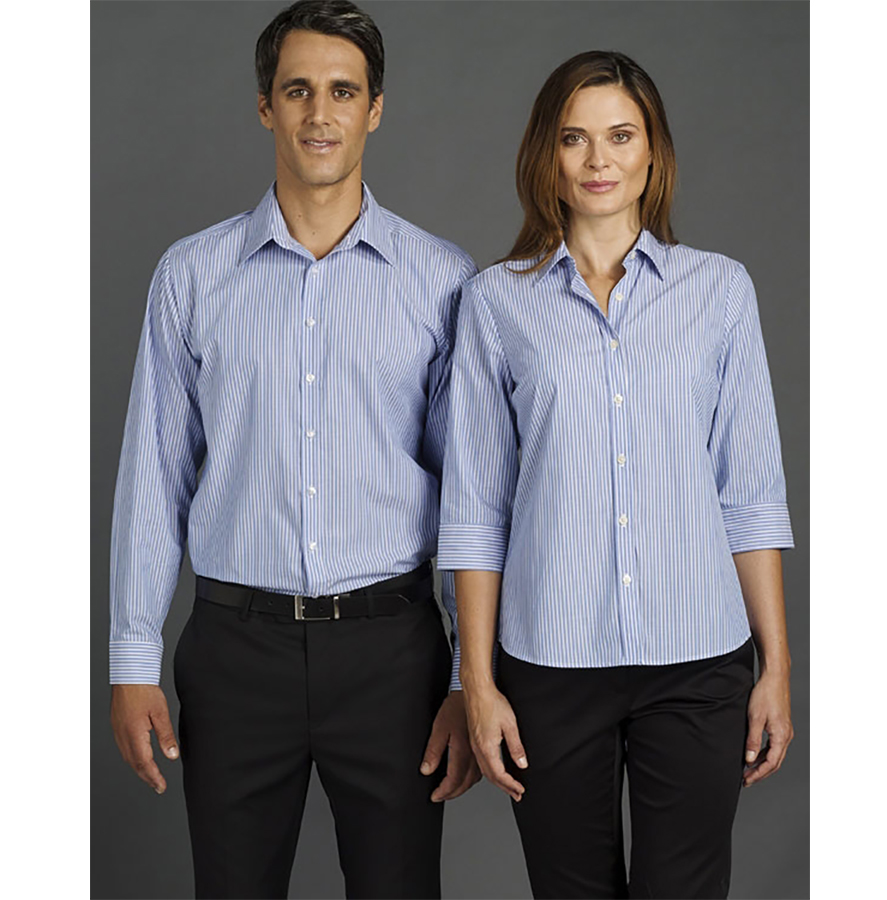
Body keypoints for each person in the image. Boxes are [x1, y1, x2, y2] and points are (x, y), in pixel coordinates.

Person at [107, 2, 481, 897]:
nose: (320, 113)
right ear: (265, 106)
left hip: (393, 656)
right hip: (235, 653)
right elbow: (154, 473)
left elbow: (471, 494)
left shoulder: (443, 281)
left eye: (343, 91)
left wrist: (469, 678)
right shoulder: (191, 276)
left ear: (375, 109)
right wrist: (131, 658)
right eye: (298, 89)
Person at [437, 50, 796, 900]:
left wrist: (777, 668)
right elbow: (476, 511)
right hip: (549, 665)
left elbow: (749, 496)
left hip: (699, 661)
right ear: (546, 155)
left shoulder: (721, 292)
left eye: (621, 136)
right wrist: (476, 683)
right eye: (574, 138)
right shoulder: (495, 303)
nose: (598, 160)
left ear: (653, 151)